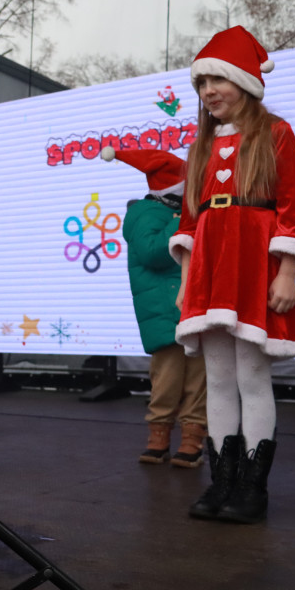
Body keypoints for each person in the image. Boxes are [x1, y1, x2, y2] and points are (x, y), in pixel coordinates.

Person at [169, 26, 295, 523]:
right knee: (219, 380)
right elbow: (189, 222)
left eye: (217, 79)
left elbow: (294, 209)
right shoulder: (202, 147)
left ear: (246, 82)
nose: (208, 91)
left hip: (256, 264)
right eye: (201, 83)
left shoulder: (277, 133)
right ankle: (222, 483)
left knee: (252, 376)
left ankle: (253, 488)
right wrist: (188, 283)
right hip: (210, 270)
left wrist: (287, 274)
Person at [102, 146, 207, 467]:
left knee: (199, 377)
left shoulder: (189, 214)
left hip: (196, 305)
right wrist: (181, 221)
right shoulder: (145, 214)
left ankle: (193, 436)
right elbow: (153, 253)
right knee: (168, 376)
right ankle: (158, 434)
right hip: (163, 311)